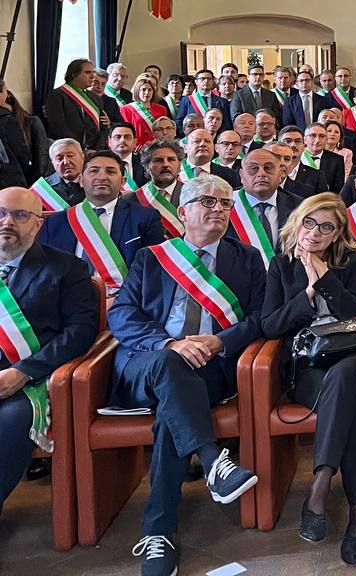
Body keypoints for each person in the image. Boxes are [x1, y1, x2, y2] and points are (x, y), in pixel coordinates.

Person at [108, 174, 264, 576]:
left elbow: (259, 318)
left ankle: (158, 533)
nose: (219, 210)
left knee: (170, 417)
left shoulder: (246, 258)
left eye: (226, 203)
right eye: (208, 201)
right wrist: (167, 344)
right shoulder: (151, 257)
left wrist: (219, 341)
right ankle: (212, 460)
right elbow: (121, 314)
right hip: (149, 362)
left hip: (210, 368)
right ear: (182, 211)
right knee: (170, 365)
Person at [260, 193, 356, 564]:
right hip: (310, 367)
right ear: (298, 221)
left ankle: (320, 485)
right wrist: (307, 293)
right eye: (310, 222)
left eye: (326, 227)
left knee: (345, 375)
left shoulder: (353, 261)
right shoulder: (281, 265)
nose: (315, 232)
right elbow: (270, 325)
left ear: (337, 234)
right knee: (347, 400)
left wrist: (325, 276)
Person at [0, 186, 98, 517]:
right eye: (1, 213)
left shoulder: (66, 268)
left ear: (38, 223)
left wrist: (22, 372)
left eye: (20, 215)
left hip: (32, 382)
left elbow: (79, 332)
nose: (7, 222)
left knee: (11, 421)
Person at [39, 149, 165, 292]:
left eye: (110, 171)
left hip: (121, 299)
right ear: (81, 180)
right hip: (66, 298)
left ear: (123, 182)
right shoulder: (55, 223)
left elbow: (151, 272)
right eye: (94, 171)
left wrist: (121, 301)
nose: (102, 177)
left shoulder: (145, 218)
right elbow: (44, 272)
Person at [45, 58, 109, 149]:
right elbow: (58, 127)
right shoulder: (57, 95)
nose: (92, 76)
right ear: (74, 74)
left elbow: (103, 127)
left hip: (94, 150)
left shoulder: (95, 97)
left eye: (93, 72)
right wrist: (78, 148)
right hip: (69, 149)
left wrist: (97, 148)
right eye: (87, 72)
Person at [175, 69, 232, 134]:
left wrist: (217, 137)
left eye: (209, 79)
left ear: (213, 81)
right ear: (196, 82)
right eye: (202, 78)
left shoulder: (222, 102)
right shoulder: (186, 100)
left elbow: (226, 123)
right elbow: (179, 122)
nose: (206, 81)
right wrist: (188, 137)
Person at [121, 76, 171, 150]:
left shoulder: (161, 109)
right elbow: (126, 130)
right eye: (143, 90)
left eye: (150, 90)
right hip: (136, 147)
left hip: (156, 146)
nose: (147, 93)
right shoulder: (126, 109)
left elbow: (164, 129)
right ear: (137, 91)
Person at [300, 123, 345, 194]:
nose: (317, 140)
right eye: (313, 135)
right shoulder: (296, 157)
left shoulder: (337, 160)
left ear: (326, 139)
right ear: (305, 139)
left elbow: (337, 189)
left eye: (322, 136)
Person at [43, 138, 86, 207]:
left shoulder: (95, 182)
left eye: (70, 156)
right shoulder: (43, 188)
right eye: (60, 158)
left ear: (82, 157)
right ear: (53, 163)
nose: (66, 162)